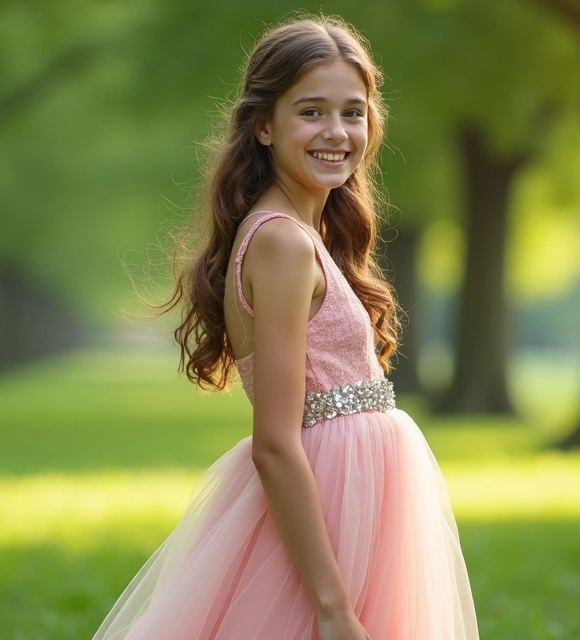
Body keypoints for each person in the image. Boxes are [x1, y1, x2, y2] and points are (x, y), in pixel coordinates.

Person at [93, 15, 479, 640]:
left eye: (354, 112)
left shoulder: (304, 236)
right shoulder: (282, 244)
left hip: (358, 495)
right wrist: (332, 602)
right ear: (264, 127)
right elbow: (275, 440)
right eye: (312, 111)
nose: (337, 132)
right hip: (329, 503)